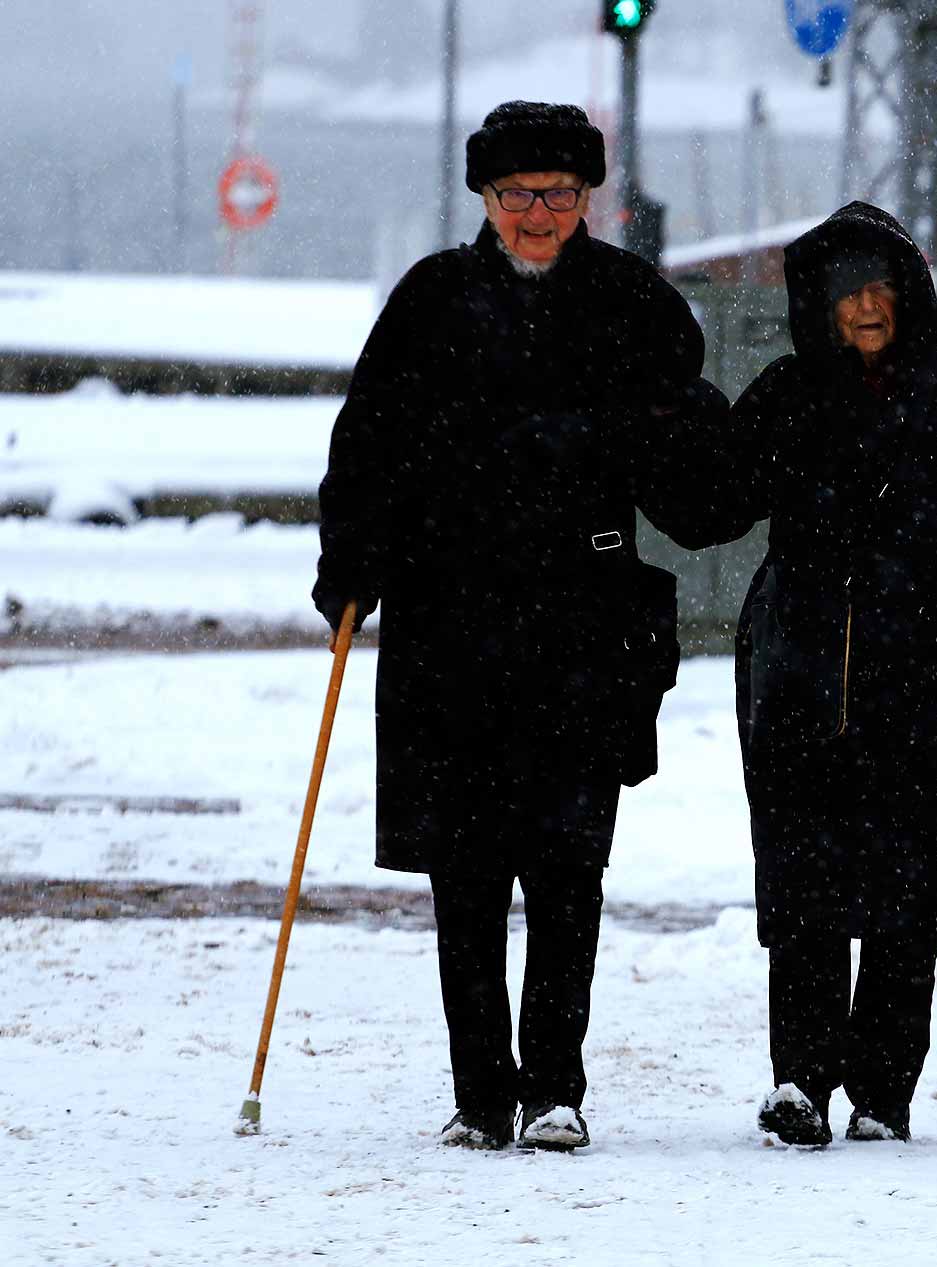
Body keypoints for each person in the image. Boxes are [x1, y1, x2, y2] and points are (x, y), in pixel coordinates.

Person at [311, 101, 730, 1153]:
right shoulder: (429, 303)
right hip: (449, 624)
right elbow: (367, 445)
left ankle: (554, 1087)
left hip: (588, 624)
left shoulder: (636, 305)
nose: (536, 212)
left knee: (568, 864)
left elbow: (687, 465)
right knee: (463, 869)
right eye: (516, 195)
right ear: (484, 200)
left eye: (556, 193)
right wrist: (349, 564)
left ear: (588, 197)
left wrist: (742, 460)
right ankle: (479, 1092)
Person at [715, 201, 937, 1146]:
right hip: (802, 674)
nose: (866, 305)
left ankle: (881, 1095)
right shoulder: (788, 394)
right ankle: (800, 1082)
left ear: (909, 296)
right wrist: (680, 417)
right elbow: (719, 497)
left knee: (908, 898)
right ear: (816, 303)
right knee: (806, 892)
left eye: (881, 287)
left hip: (932, 676)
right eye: (846, 291)